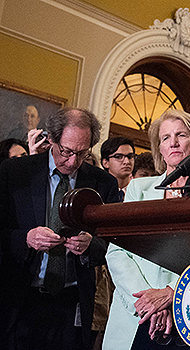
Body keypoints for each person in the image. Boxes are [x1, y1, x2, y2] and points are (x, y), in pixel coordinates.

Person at [103, 110, 190, 350]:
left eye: (181, 134)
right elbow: (117, 252)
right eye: (165, 138)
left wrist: (173, 294)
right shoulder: (138, 189)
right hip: (136, 311)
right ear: (159, 149)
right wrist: (148, 302)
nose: (173, 142)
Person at [0, 107, 122, 350]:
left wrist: (90, 246)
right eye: (66, 151)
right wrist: (26, 238)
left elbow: (114, 245)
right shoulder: (15, 172)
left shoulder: (103, 183)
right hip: (20, 300)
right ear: (52, 139)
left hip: (72, 303)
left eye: (82, 153)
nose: (72, 161)